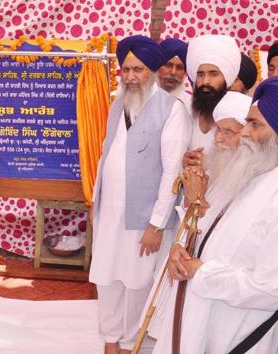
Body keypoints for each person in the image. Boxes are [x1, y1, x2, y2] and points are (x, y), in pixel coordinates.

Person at [166, 77, 278, 354]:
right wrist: (182, 250)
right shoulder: (250, 175)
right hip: (201, 325)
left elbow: (271, 289)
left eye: (255, 125)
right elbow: (212, 235)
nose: (244, 133)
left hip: (236, 338)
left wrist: (200, 271)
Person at [89, 35, 191, 354]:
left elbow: (172, 171)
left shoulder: (172, 109)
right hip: (110, 212)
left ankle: (130, 340)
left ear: (153, 71)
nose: (131, 76)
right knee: (105, 274)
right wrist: (97, 204)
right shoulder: (117, 103)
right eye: (127, 69)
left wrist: (156, 224)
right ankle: (110, 337)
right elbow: (107, 155)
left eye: (139, 70)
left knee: (135, 280)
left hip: (143, 215)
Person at [147, 91, 251, 353]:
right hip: (186, 270)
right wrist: (177, 244)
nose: (219, 138)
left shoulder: (251, 179)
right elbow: (194, 223)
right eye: (218, 130)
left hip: (217, 284)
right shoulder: (216, 169)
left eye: (230, 132)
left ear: (247, 135)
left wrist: (196, 202)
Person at [183, 35, 241, 169]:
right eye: (200, 74)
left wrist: (209, 164)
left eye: (214, 74)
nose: (205, 82)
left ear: (226, 78)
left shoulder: (237, 118)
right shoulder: (186, 111)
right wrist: (183, 160)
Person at [157, 38, 190, 110]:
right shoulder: (141, 98)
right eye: (168, 65)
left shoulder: (190, 105)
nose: (173, 72)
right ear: (157, 67)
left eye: (179, 67)